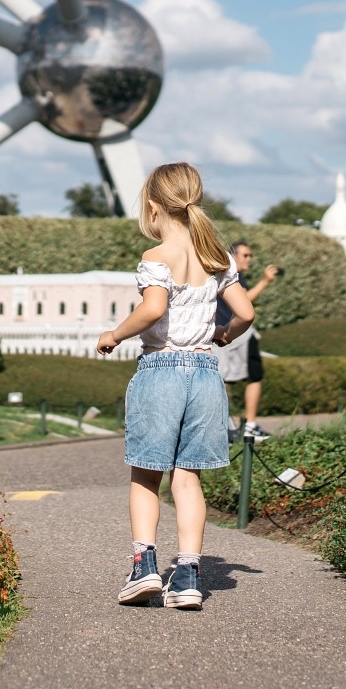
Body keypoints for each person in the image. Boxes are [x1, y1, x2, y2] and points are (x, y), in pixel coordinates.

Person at [97, 163, 254, 610]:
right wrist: (222, 336)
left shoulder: (156, 258)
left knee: (146, 475)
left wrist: (115, 334)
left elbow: (152, 309)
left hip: (162, 370)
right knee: (188, 479)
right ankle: (187, 576)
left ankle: (144, 567)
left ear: (152, 208)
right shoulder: (217, 258)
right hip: (205, 373)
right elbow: (244, 314)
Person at [218, 241, 280, 440]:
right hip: (236, 332)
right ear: (233, 255)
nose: (249, 259)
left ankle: (224, 426)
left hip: (223, 332)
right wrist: (265, 281)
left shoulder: (225, 272)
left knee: (223, 378)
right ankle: (248, 425)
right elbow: (244, 304)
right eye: (245, 255)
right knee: (253, 375)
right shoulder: (231, 273)